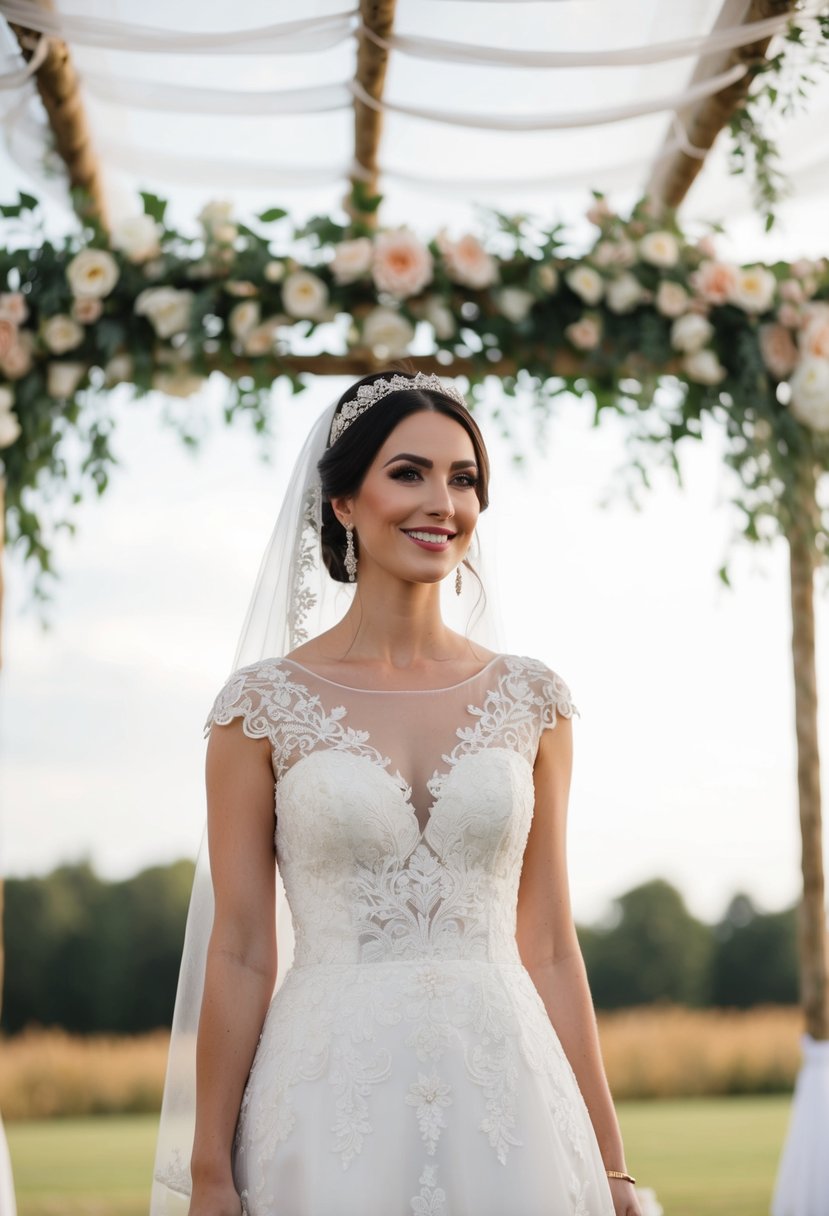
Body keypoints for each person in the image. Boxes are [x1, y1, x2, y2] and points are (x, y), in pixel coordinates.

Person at [152, 369, 642, 1216]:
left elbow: (552, 943)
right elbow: (238, 949)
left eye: (463, 479)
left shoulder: (532, 701)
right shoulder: (260, 708)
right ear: (343, 502)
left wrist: (610, 1165)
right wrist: (208, 1172)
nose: (441, 503)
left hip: (509, 1095)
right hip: (325, 1094)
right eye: (407, 472)